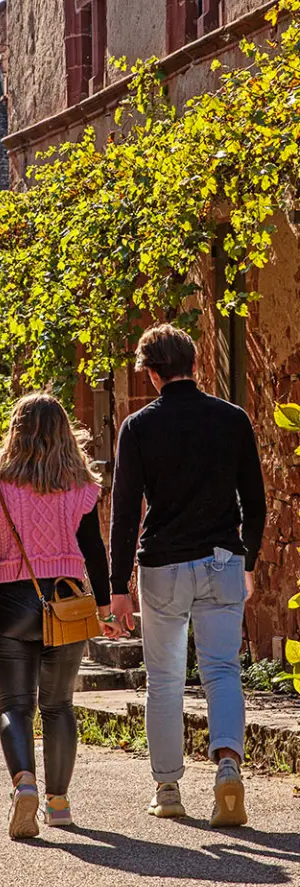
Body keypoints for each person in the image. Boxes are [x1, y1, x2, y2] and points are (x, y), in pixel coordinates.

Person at [110, 324, 266, 827]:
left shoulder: (137, 427)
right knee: (222, 670)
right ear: (195, 364)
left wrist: (117, 587)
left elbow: (124, 512)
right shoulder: (232, 419)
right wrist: (248, 562)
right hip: (223, 560)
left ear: (152, 374)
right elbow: (256, 503)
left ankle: (168, 788)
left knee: (164, 680)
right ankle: (228, 768)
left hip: (163, 565)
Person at [0, 392, 121, 840]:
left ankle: (24, 785)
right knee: (58, 706)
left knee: (15, 706)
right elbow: (94, 551)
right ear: (65, 435)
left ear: (16, 433)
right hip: (67, 604)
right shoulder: (81, 489)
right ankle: (58, 804)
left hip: (11, 604)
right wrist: (105, 606)